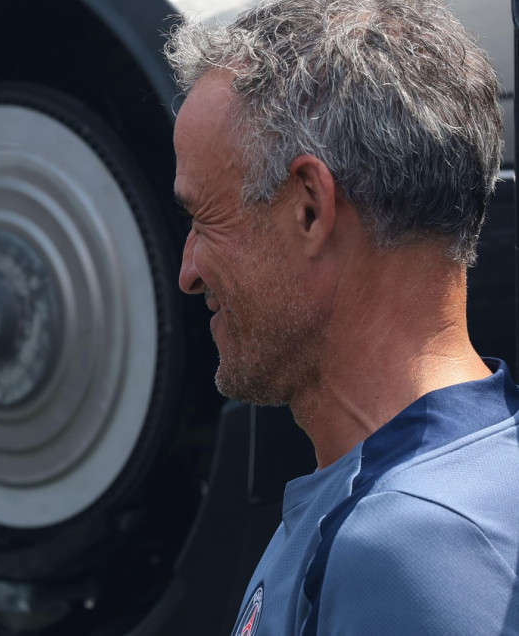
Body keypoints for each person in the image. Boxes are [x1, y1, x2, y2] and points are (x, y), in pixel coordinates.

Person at [166, 0, 518, 634]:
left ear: (309, 209)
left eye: (204, 218)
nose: (187, 271)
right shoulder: (453, 493)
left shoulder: (409, 550)